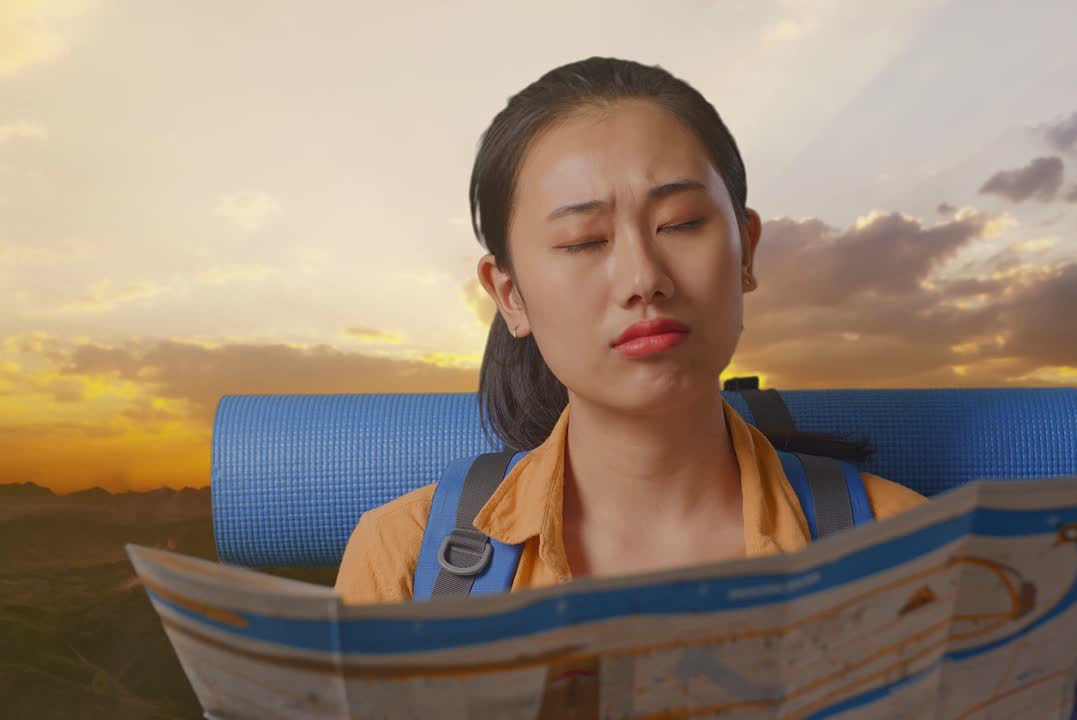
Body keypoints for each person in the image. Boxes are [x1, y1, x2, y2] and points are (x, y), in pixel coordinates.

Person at [335, 56, 927, 605]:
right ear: (510, 296)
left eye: (682, 223)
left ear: (746, 250)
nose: (644, 278)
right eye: (584, 241)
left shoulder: (912, 552)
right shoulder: (404, 561)